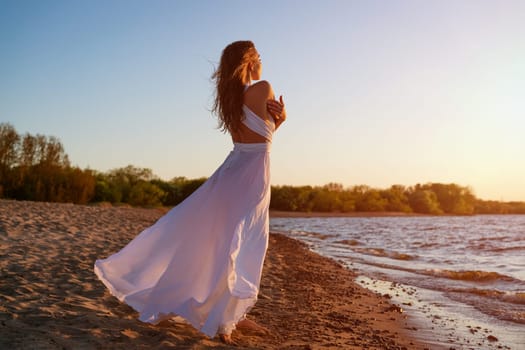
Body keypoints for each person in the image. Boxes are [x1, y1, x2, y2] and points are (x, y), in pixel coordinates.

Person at [94, 40, 286, 344]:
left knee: (226, 241)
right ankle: (227, 320)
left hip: (232, 171)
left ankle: (230, 316)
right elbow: (267, 134)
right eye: (259, 56)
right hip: (252, 174)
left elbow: (256, 132)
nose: (263, 62)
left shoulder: (231, 98)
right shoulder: (263, 88)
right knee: (244, 240)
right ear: (249, 61)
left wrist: (275, 121)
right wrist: (282, 119)